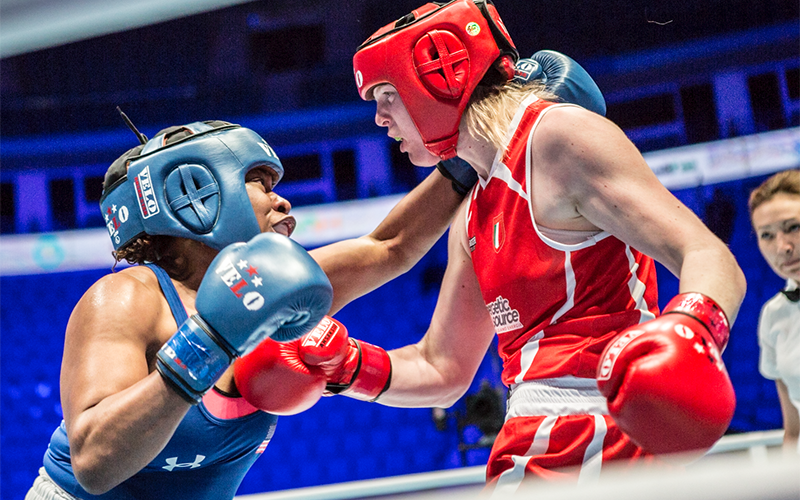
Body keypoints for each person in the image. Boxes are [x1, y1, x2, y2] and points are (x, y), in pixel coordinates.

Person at [249, 0, 747, 493]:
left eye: (386, 95)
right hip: (525, 436)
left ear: (439, 75)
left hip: (602, 426)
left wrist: (691, 330)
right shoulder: (472, 210)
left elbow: (707, 254)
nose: (379, 118)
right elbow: (442, 367)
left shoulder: (558, 136)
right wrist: (349, 365)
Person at [25, 119, 465, 500]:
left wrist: (474, 147)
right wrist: (209, 341)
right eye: (260, 184)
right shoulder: (128, 298)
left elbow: (391, 246)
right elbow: (92, 461)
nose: (283, 202)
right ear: (195, 194)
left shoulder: (274, 287)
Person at [749, 169, 800, 455]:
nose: (783, 247)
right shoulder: (773, 315)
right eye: (766, 235)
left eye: (794, 226)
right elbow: (794, 430)